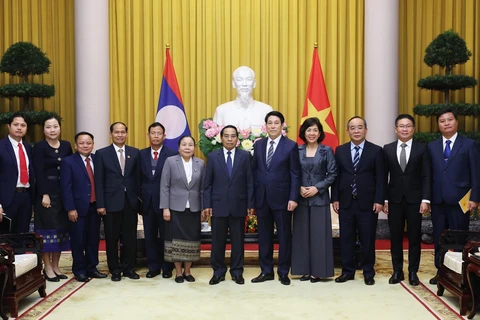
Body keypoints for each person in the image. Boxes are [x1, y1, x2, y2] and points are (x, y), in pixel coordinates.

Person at [427, 108, 480, 285]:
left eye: (449, 120)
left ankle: (459, 274)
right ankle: (441, 272)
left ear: (456, 122)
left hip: (460, 200)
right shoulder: (432, 146)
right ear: (438, 125)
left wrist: (475, 198)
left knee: (458, 238)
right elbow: (429, 175)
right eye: (442, 121)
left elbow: (476, 174)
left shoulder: (469, 144)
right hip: (438, 200)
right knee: (439, 238)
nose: (446, 123)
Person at [331, 116, 385, 286]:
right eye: (352, 128)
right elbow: (336, 177)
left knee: (367, 239)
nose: (356, 131)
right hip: (346, 202)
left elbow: (381, 179)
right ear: (347, 131)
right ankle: (347, 271)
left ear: (366, 130)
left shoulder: (376, 151)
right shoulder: (340, 150)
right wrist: (335, 198)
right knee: (346, 238)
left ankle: (368, 272)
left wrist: (379, 200)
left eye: (359, 127)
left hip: (368, 204)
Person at [251, 111, 301, 286]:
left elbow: (295, 174)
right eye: (269, 123)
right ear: (265, 126)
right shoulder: (258, 145)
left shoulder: (291, 146)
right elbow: (254, 173)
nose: (273, 126)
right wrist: (252, 200)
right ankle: (266, 271)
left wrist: (294, 198)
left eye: (276, 123)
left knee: (284, 236)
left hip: (283, 198)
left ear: (282, 126)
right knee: (263, 237)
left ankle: (283, 271)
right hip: (262, 198)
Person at [203, 125, 255, 285]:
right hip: (218, 205)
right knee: (217, 242)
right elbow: (208, 184)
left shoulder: (245, 156)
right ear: (221, 138)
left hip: (239, 205)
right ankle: (218, 272)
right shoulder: (213, 157)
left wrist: (250, 203)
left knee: (238, 242)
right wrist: (207, 204)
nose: (230, 139)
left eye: (233, 136)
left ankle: (237, 272)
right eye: (226, 136)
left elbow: (249, 182)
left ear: (237, 139)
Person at [383, 114, 431, 286]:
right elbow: (383, 177)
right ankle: (397, 271)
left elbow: (426, 175)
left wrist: (425, 199)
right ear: (395, 129)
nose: (405, 129)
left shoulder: (422, 148)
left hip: (415, 200)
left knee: (414, 237)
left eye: (408, 126)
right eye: (401, 126)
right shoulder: (387, 149)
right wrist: (385, 200)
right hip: (394, 200)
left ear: (414, 129)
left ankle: (413, 272)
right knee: (395, 236)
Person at [291, 117, 337, 282]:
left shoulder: (327, 150)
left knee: (319, 235)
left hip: (319, 198)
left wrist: (317, 188)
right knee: (301, 236)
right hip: (301, 199)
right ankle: (303, 270)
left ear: (320, 133)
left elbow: (332, 174)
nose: (312, 133)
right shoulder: (297, 150)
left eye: (315, 130)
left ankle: (319, 271)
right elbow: (292, 173)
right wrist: (299, 188)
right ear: (304, 132)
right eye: (308, 130)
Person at [94, 122, 141, 282]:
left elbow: (138, 179)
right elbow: (98, 181)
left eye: (122, 132)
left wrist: (138, 201)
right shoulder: (102, 154)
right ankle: (114, 269)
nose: (120, 135)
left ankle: (129, 268)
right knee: (111, 238)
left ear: (127, 134)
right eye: (116, 132)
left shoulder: (135, 153)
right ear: (111, 134)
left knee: (130, 238)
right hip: (110, 203)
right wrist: (100, 203)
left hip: (130, 202)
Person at [60, 131, 107, 282]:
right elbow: (65, 187)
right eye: (82, 143)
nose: (85, 145)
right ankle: (79, 270)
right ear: (75, 145)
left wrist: (101, 204)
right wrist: (70, 208)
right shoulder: (68, 162)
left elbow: (101, 184)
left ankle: (92, 268)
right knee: (78, 240)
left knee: (93, 240)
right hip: (77, 208)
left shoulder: (97, 159)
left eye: (88, 143)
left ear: (93, 145)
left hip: (95, 207)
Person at [160, 136, 205, 283]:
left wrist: (203, 209)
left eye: (190, 145)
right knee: (176, 242)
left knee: (191, 240)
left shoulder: (201, 163)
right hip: (175, 208)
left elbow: (203, 189)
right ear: (178, 147)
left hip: (194, 208)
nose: (187, 147)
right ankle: (178, 273)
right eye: (184, 145)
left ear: (194, 148)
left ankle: (188, 271)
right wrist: (165, 208)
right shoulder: (171, 162)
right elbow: (164, 186)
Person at [33, 115, 72, 282]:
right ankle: (47, 267)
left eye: (55, 126)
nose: (52, 130)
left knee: (61, 231)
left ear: (60, 128)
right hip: (46, 195)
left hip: (63, 193)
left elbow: (71, 167)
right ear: (44, 130)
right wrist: (45, 194)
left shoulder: (66, 145)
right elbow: (38, 172)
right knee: (47, 231)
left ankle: (56, 266)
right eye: (48, 127)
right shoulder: (40, 147)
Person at [139, 122, 177, 279]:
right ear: (148, 135)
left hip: (166, 203)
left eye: (159, 133)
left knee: (167, 237)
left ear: (164, 136)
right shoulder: (140, 154)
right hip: (147, 202)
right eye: (153, 133)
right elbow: (137, 179)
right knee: (150, 236)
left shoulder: (173, 154)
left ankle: (167, 266)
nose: (156, 136)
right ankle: (153, 266)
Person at [0, 112, 34, 234]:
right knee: (5, 239)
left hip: (25, 197)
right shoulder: (1, 146)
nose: (19, 128)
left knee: (22, 236)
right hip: (7, 199)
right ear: (9, 126)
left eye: (23, 125)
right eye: (16, 124)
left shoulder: (28, 147)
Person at [213, 66, 273, 130]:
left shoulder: (267, 110)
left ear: (254, 83)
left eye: (249, 79)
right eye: (239, 80)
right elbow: (215, 137)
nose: (244, 84)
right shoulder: (221, 110)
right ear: (233, 83)